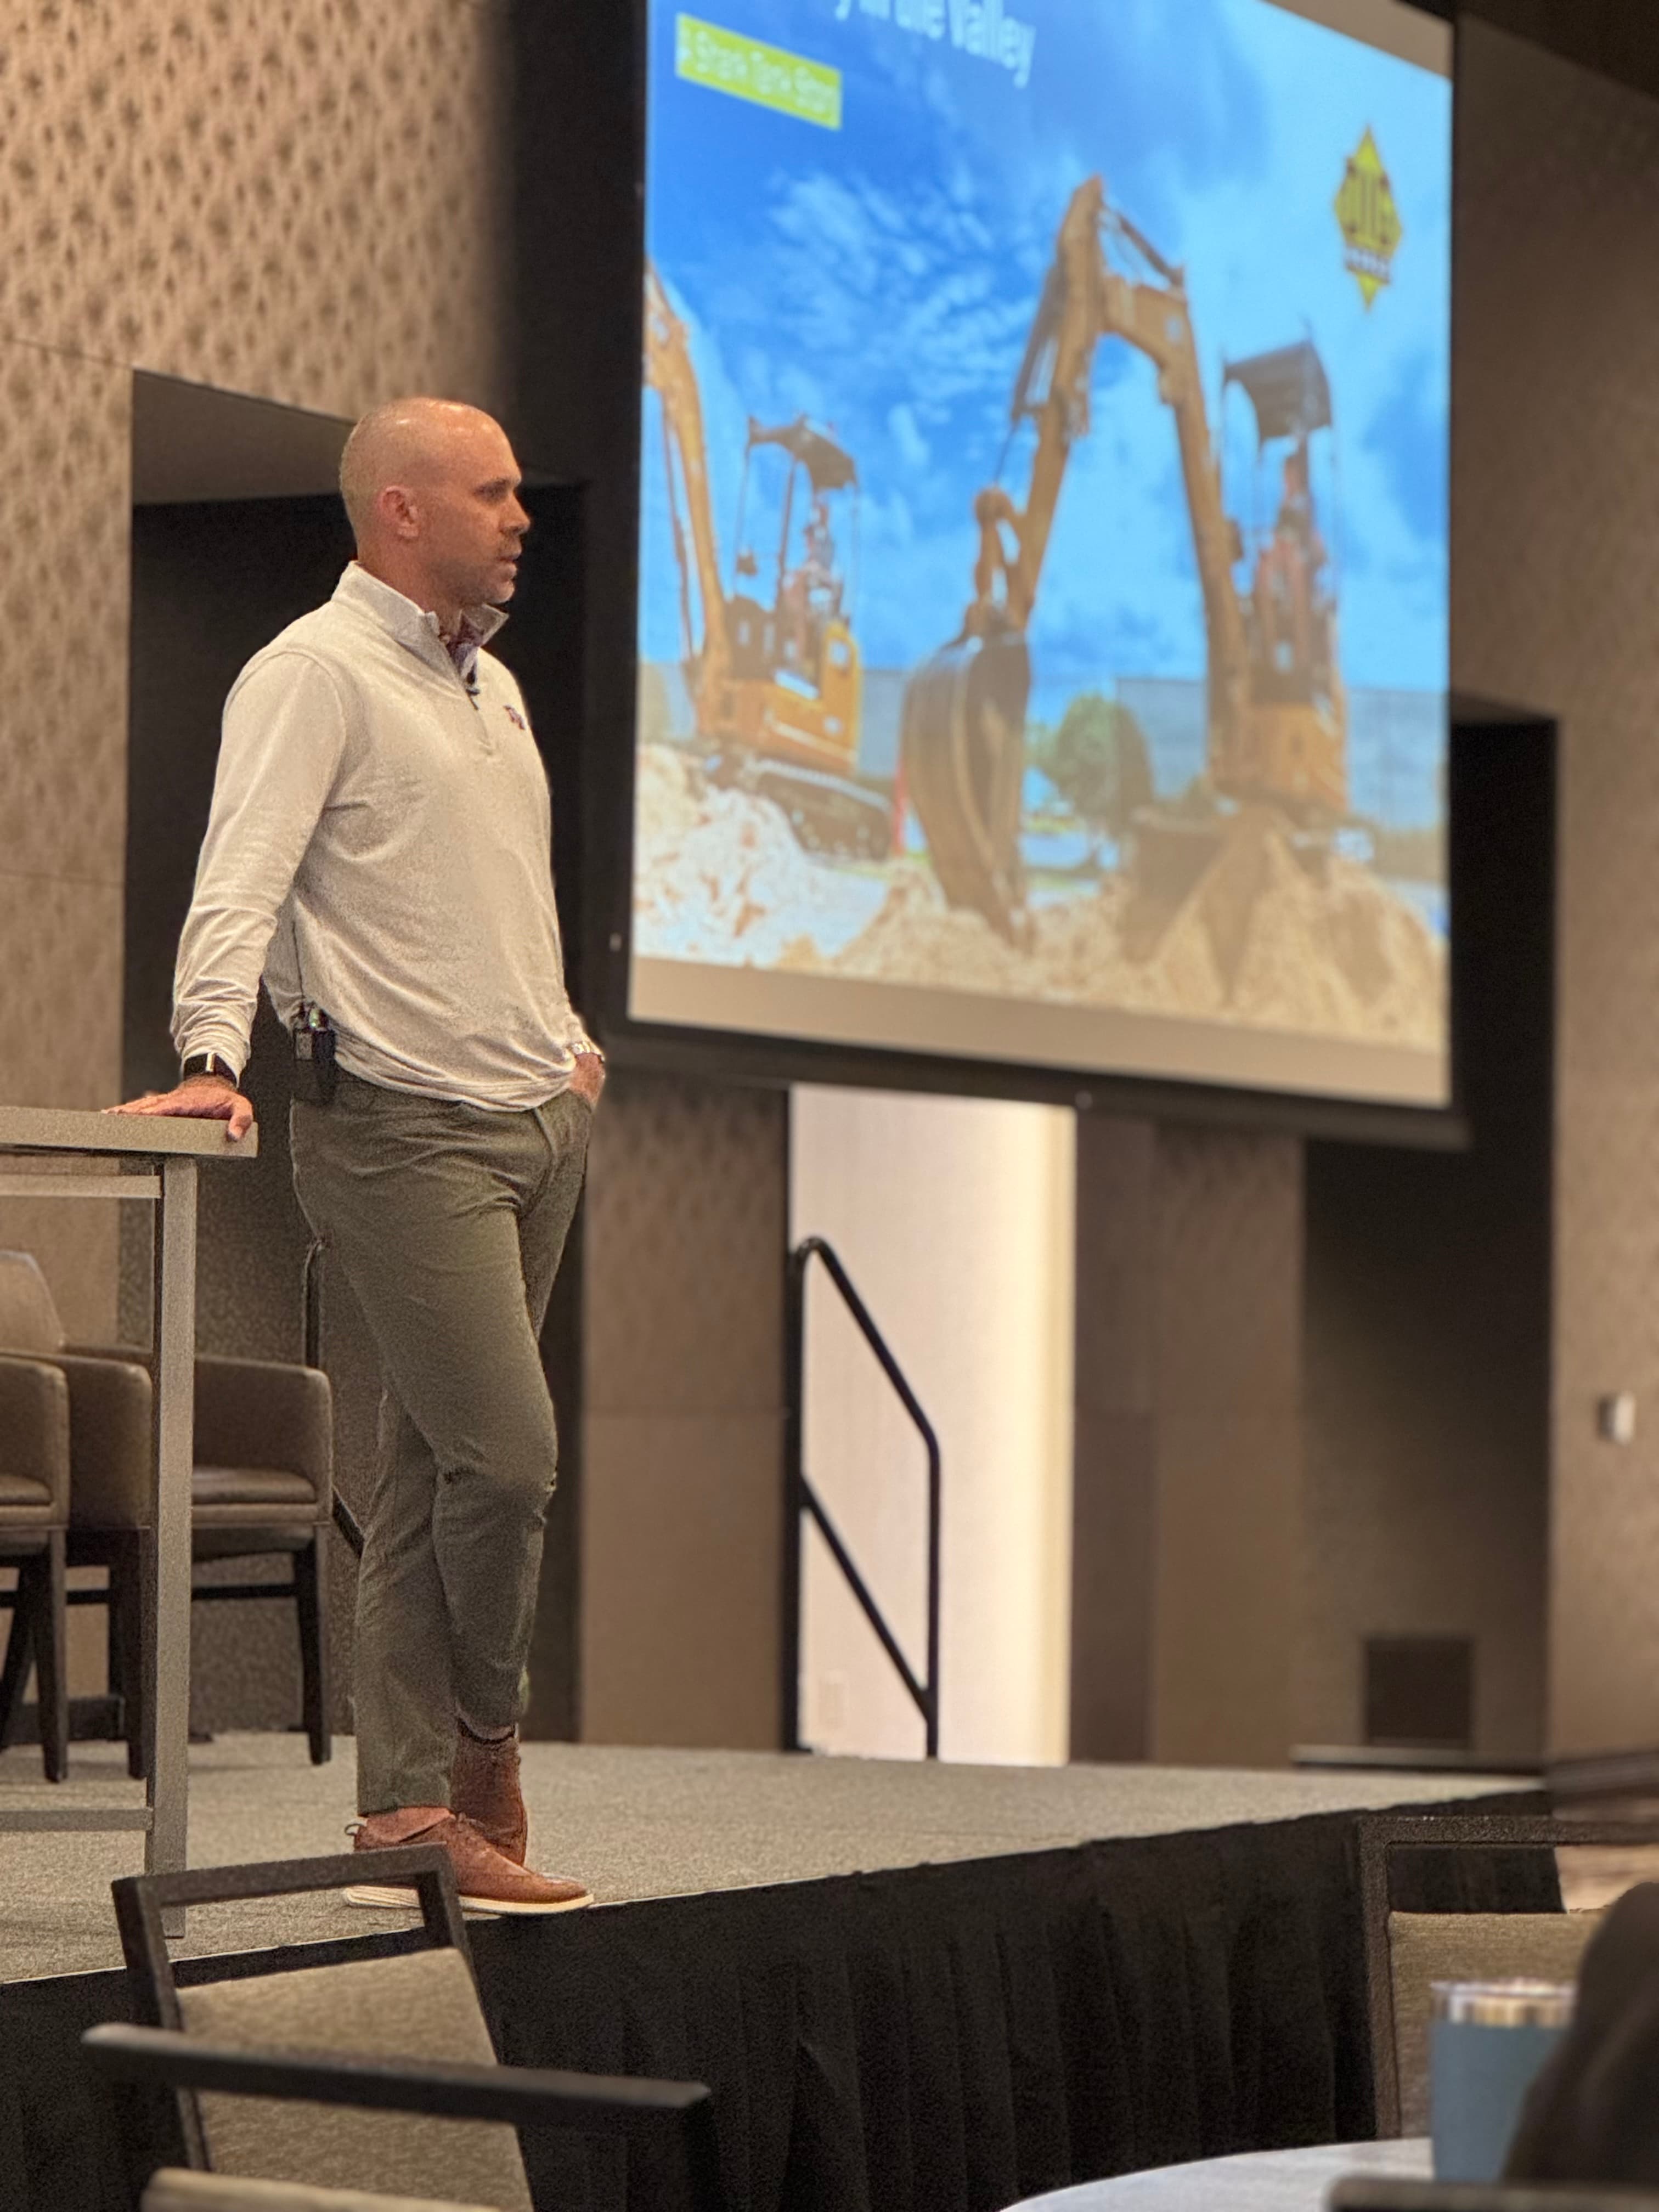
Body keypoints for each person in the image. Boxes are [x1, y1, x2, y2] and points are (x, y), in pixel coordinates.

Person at [112, 398, 601, 1914]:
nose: (523, 514)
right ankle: (482, 1752)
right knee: (509, 1463)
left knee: (427, 1474)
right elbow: (239, 876)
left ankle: (399, 1821)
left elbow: (498, 895)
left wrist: (572, 1039)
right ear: (401, 510)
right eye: (494, 490)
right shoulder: (310, 675)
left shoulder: (493, 689)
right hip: (397, 1131)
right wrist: (210, 1056)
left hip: (539, 1118)